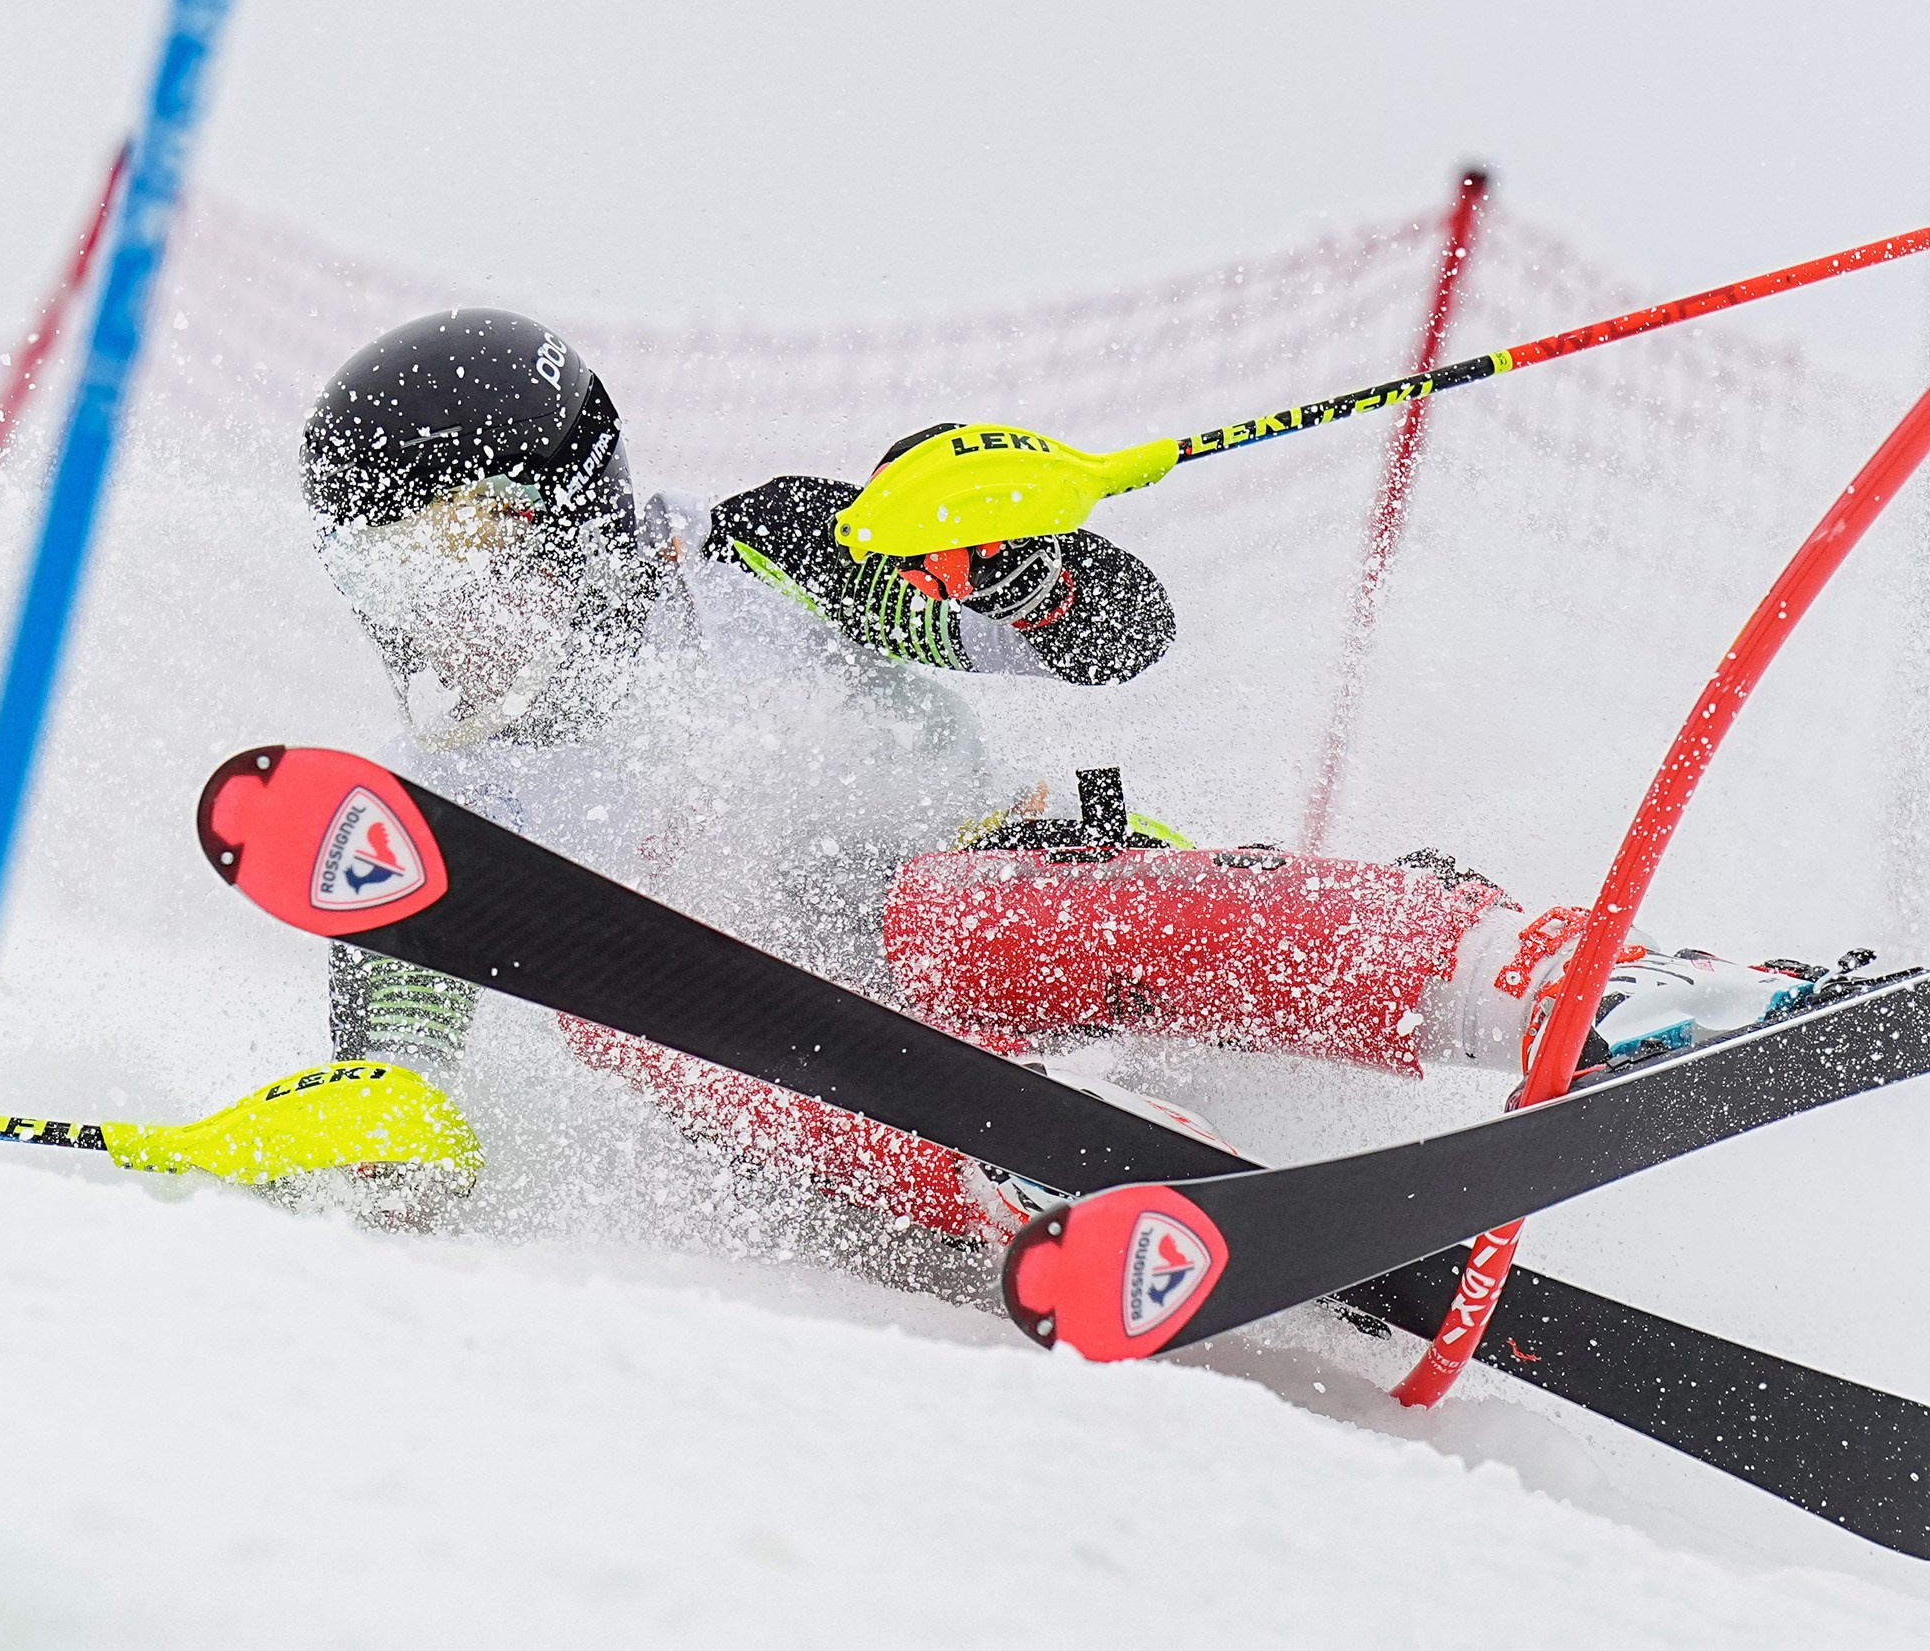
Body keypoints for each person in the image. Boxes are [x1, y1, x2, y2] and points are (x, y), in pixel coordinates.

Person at [288, 307, 1888, 1238]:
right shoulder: (443, 809)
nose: (449, 615)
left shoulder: (766, 557)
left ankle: (1567, 987)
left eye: (467, 552)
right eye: (398, 582)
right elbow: (398, 1058)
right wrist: (379, 1137)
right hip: (848, 1094)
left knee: (935, 912)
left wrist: (1015, 571)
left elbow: (1119, 636)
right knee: (626, 1005)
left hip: (1026, 907)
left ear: (575, 506)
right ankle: (1057, 1162)